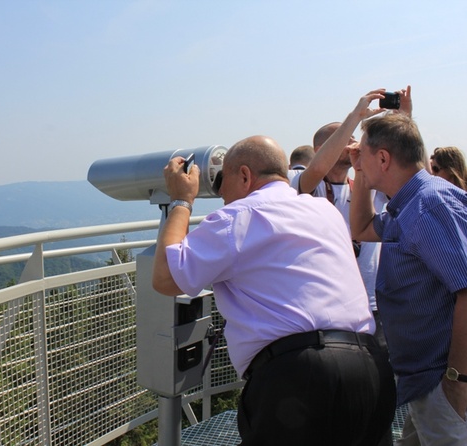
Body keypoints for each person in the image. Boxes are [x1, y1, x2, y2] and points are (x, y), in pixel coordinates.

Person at [152, 135, 396, 446]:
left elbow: (165, 278)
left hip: (299, 379)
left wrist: (180, 201)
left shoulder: (236, 218)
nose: (221, 193)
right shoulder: (325, 211)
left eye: (222, 180)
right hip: (369, 368)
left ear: (244, 175)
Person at [326, 89, 467, 445]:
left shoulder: (426, 207)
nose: (358, 156)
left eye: (365, 152)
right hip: (426, 381)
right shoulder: (409, 205)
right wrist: (360, 171)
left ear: (384, 158)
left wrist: (458, 379)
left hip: (444, 382)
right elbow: (361, 229)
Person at [290, 86, 411, 350]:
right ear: (323, 148)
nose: (353, 143)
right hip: (326, 308)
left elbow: (411, 180)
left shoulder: (367, 187)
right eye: (345, 138)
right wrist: (355, 116)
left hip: (372, 305)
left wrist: (405, 121)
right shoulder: (310, 188)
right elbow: (317, 169)